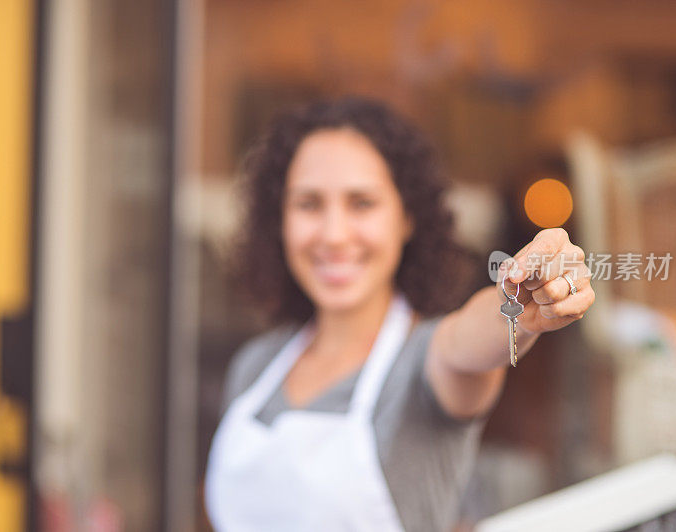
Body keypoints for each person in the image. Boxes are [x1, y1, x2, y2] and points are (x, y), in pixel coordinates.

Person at [204, 96, 595, 532]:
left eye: (362, 203)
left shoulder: (422, 363)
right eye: (309, 204)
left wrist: (518, 309)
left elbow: (466, 342)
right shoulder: (256, 368)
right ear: (279, 221)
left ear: (407, 218)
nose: (333, 235)